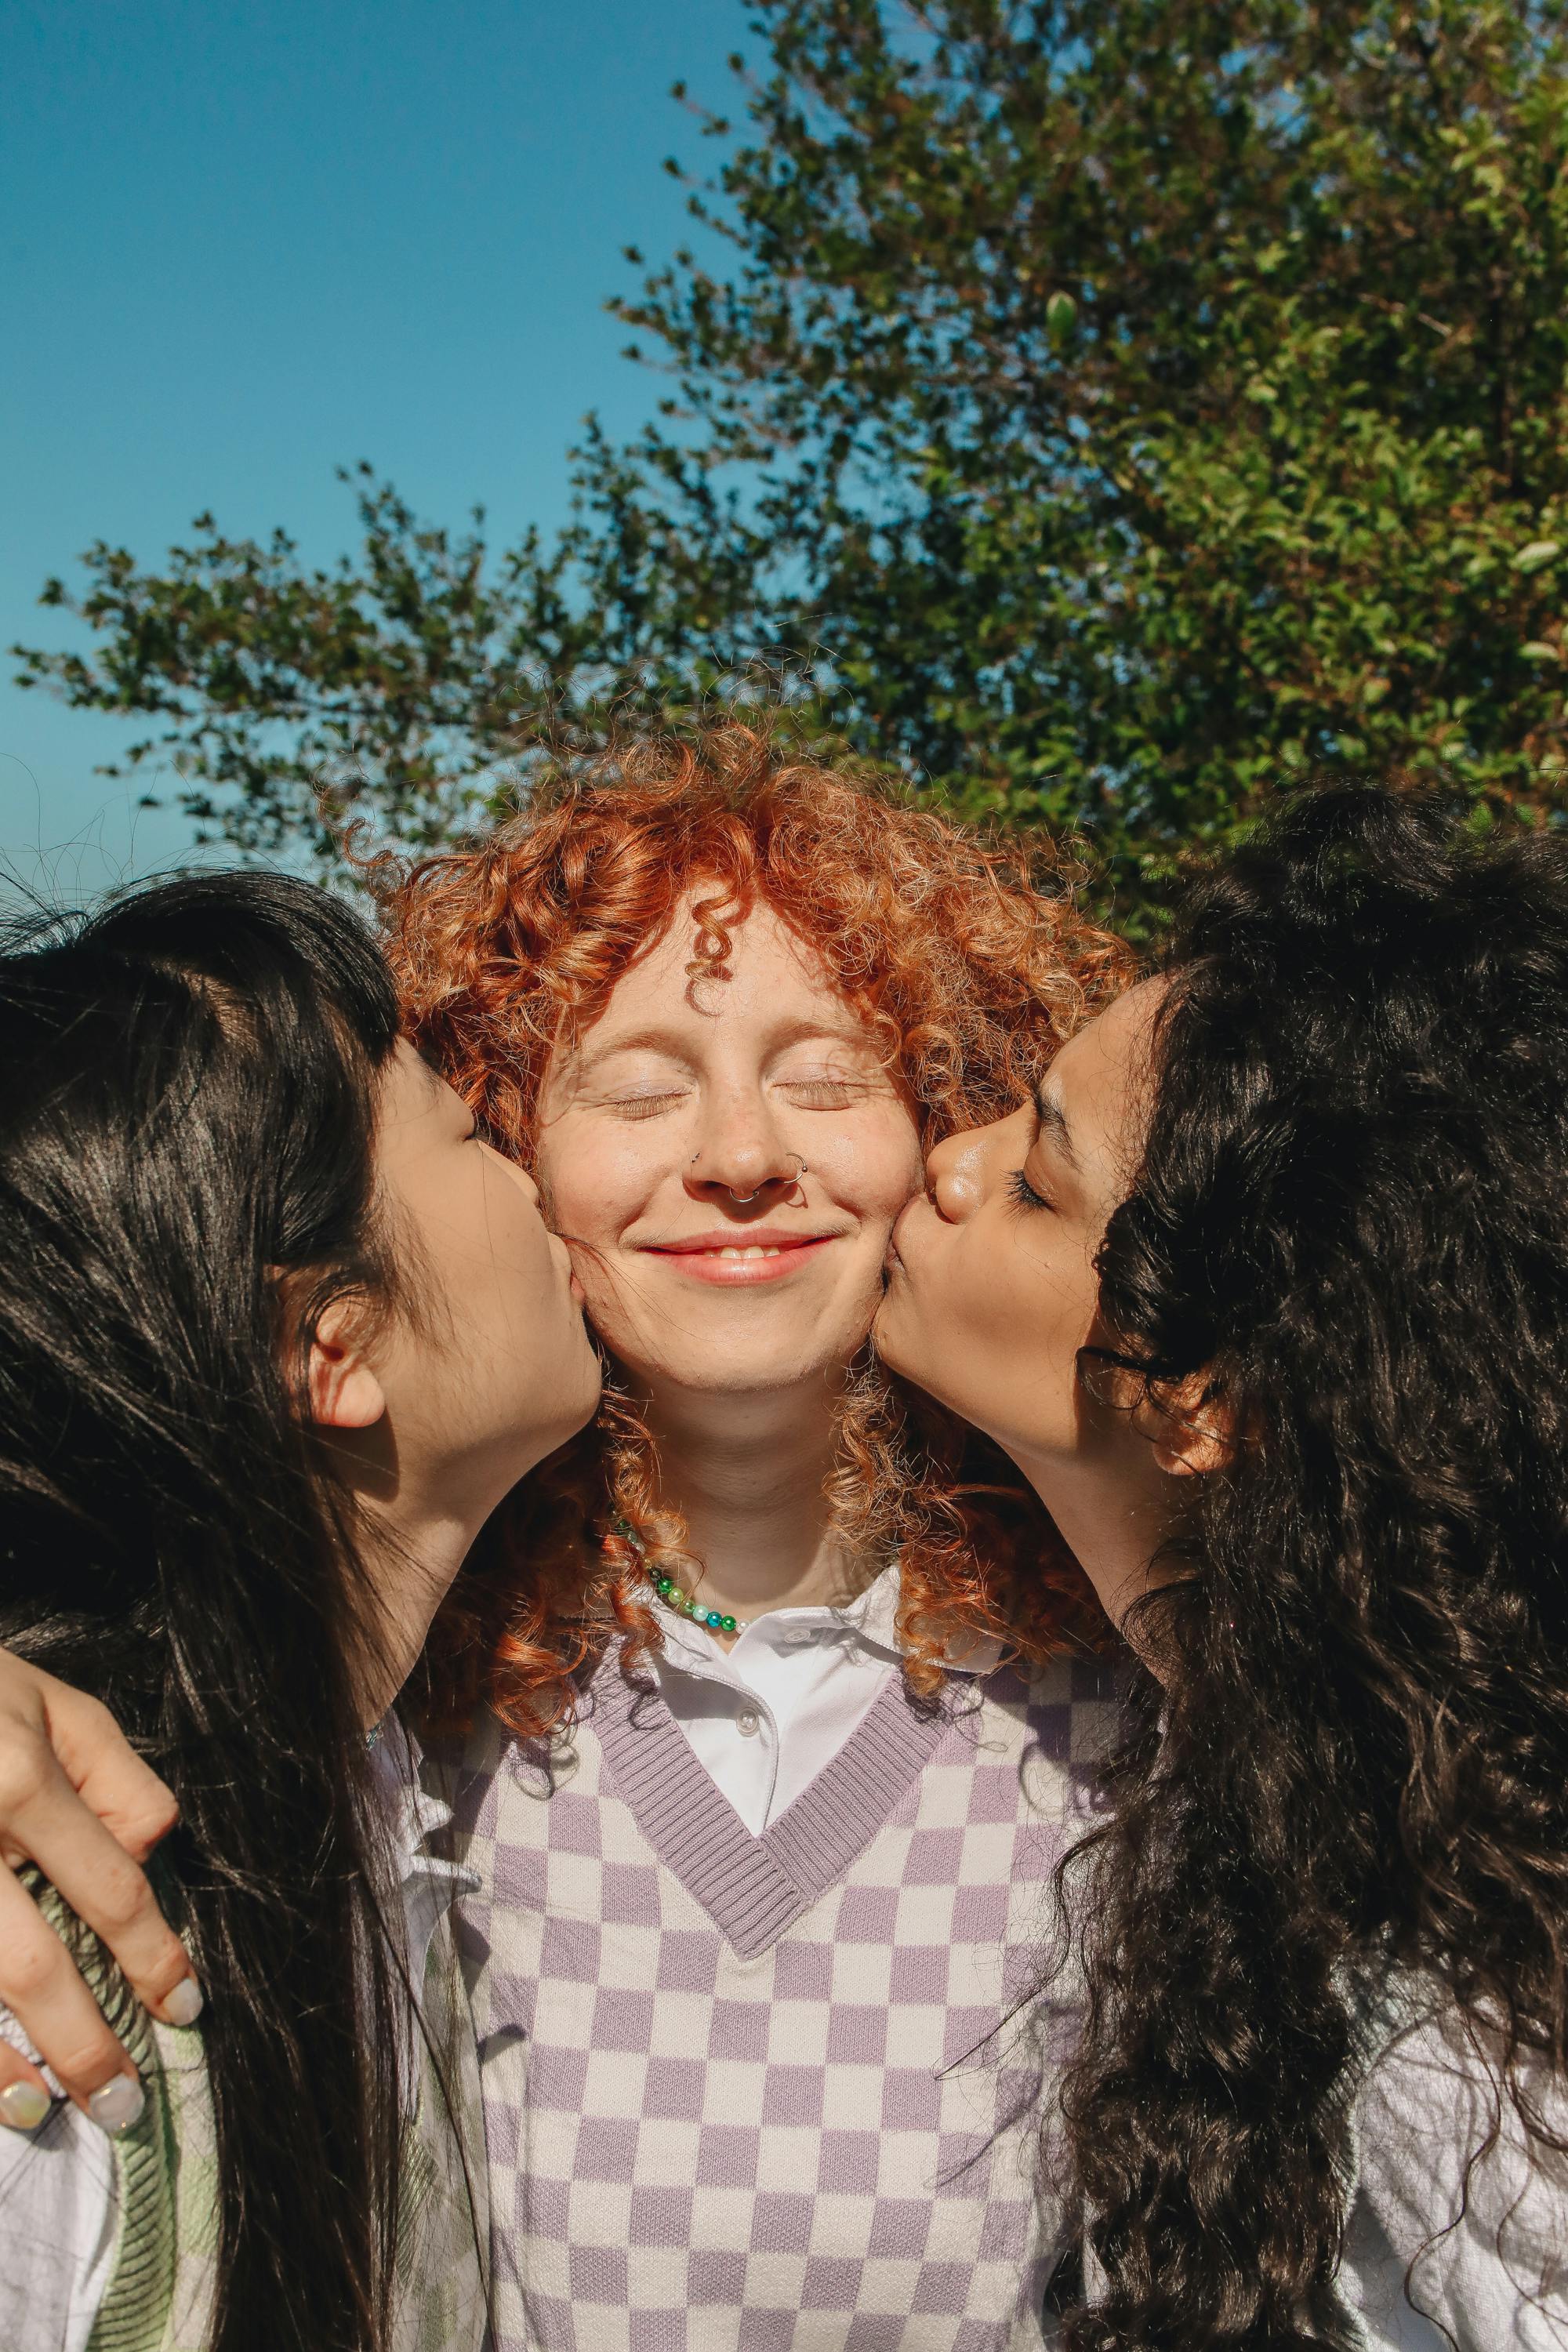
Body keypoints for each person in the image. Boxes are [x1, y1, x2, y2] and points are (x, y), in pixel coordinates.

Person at [0, 724, 1132, 2351]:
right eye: (639, 1087)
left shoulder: (1154, 1694)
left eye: (826, 1076)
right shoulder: (379, 1719)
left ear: (948, 1140)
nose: (741, 1159)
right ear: (519, 1158)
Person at [875, 783, 1568, 2347]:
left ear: (1199, 1398)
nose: (950, 1161)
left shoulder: (1486, 2001)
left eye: (1039, 1181)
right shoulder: (1362, 1748)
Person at [0, 869, 601, 2352]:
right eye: (469, 1131)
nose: (540, 1172)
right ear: (332, 1348)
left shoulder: (367, 1775)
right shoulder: (64, 1994)